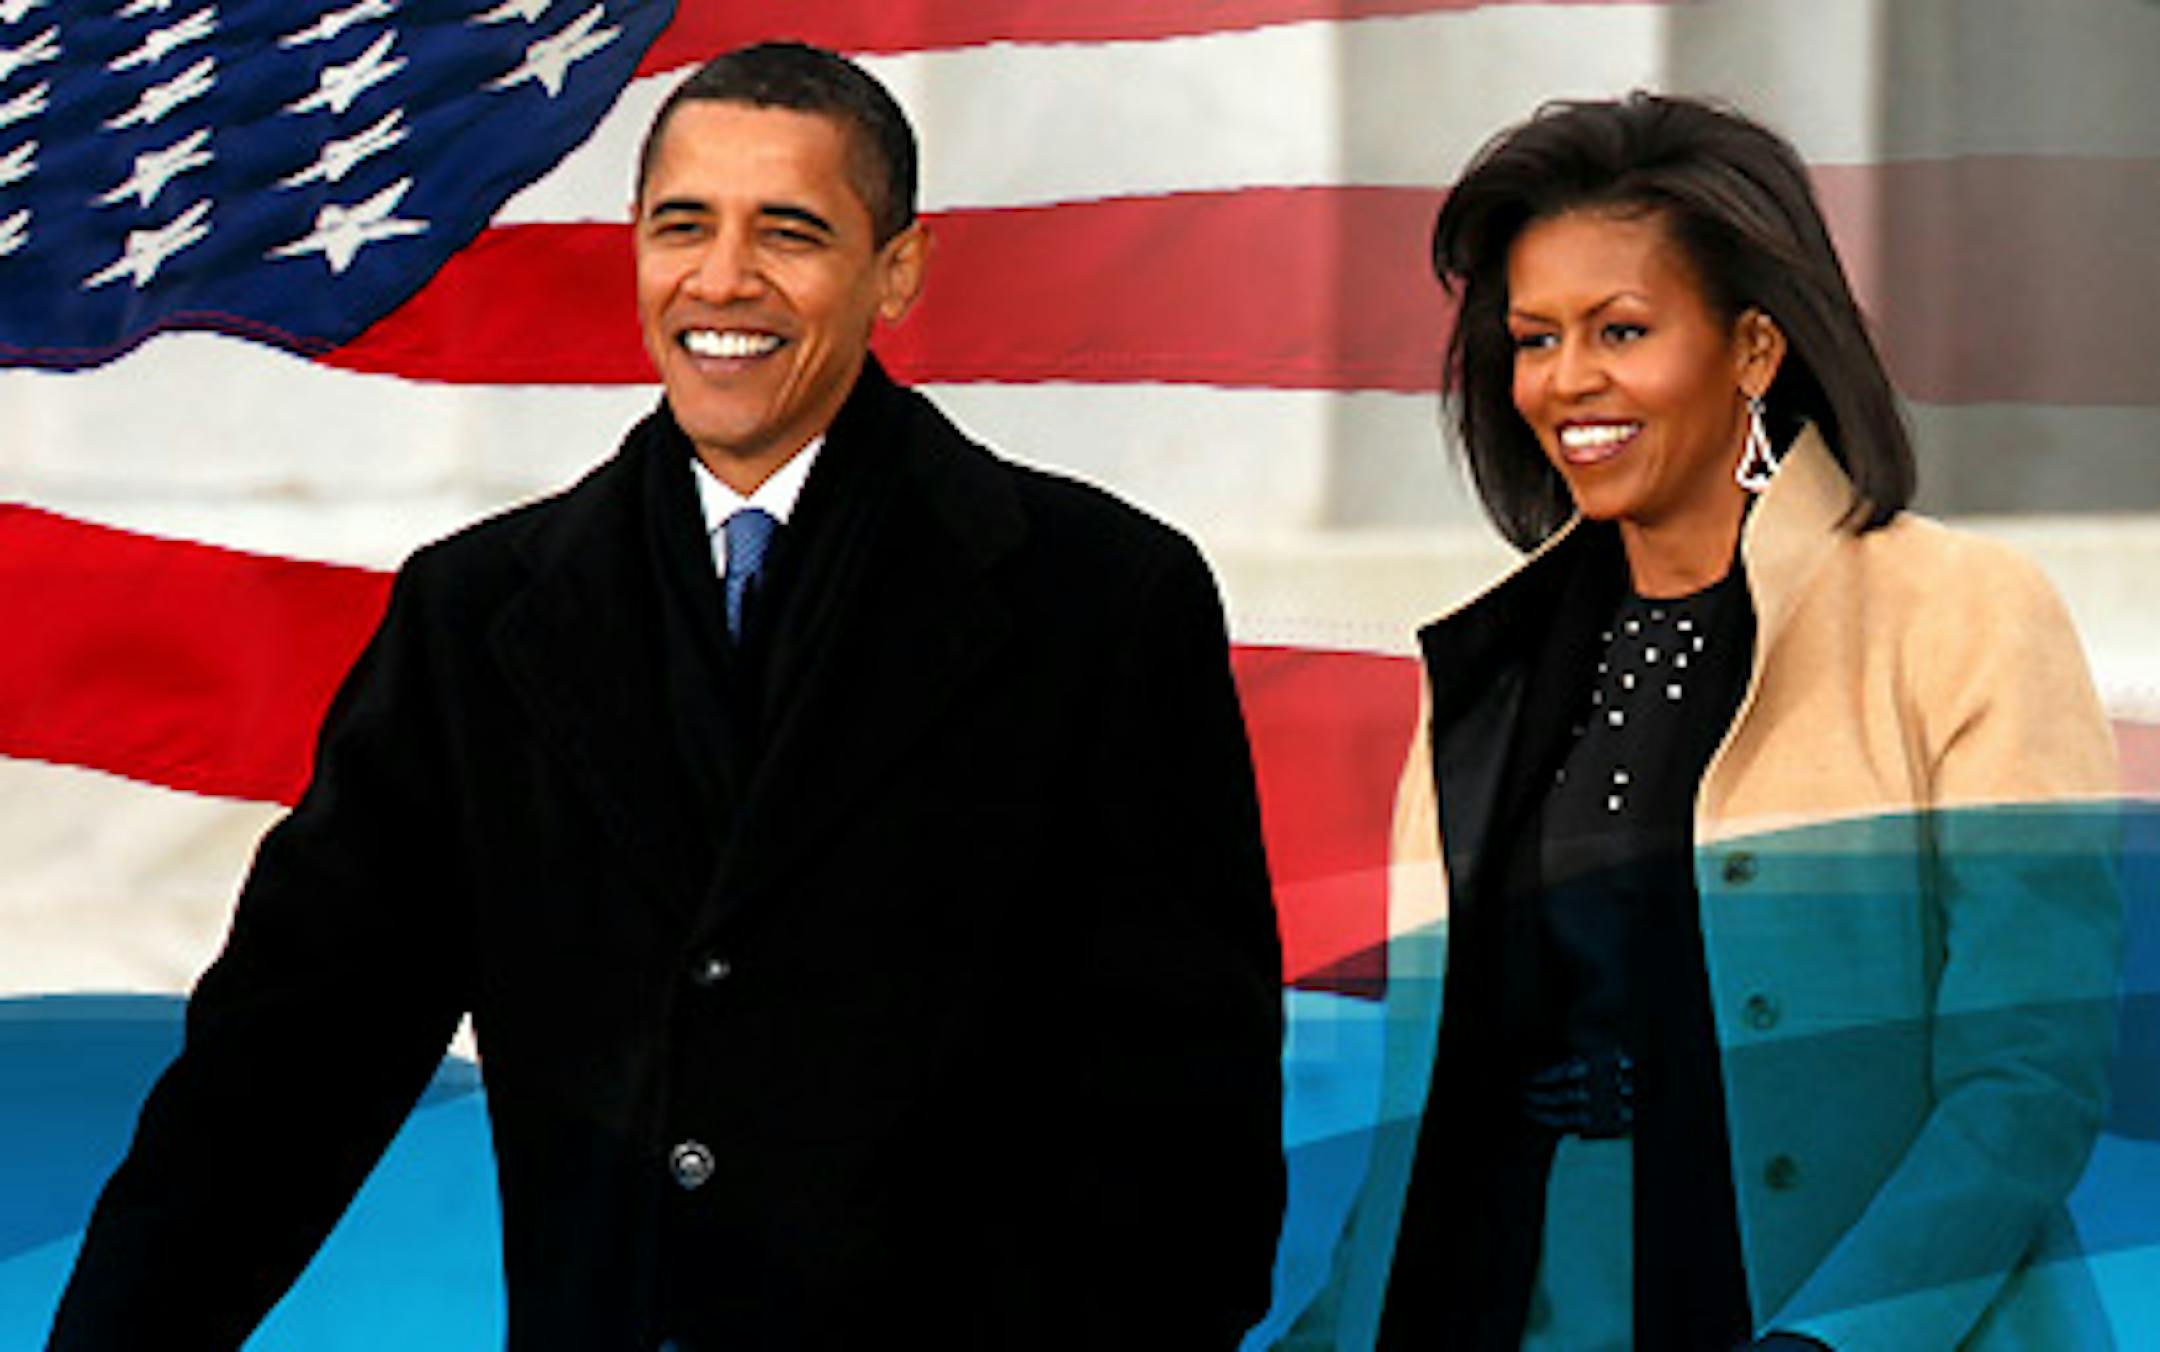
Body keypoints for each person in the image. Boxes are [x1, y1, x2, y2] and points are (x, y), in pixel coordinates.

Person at [49, 42, 1285, 1350]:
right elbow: (285, 1067)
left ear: (898, 270)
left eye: (790, 231)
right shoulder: (474, 622)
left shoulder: (1102, 599)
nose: (722, 280)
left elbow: (1186, 1116)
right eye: (682, 226)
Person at [1288, 94, 2122, 1350]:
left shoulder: (1962, 612)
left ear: (1752, 349)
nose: (1569, 381)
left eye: (1621, 329)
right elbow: (1432, 1098)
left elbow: (2029, 1078)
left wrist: (1828, 1341)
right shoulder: (1486, 667)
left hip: (1838, 1316)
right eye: (1535, 337)